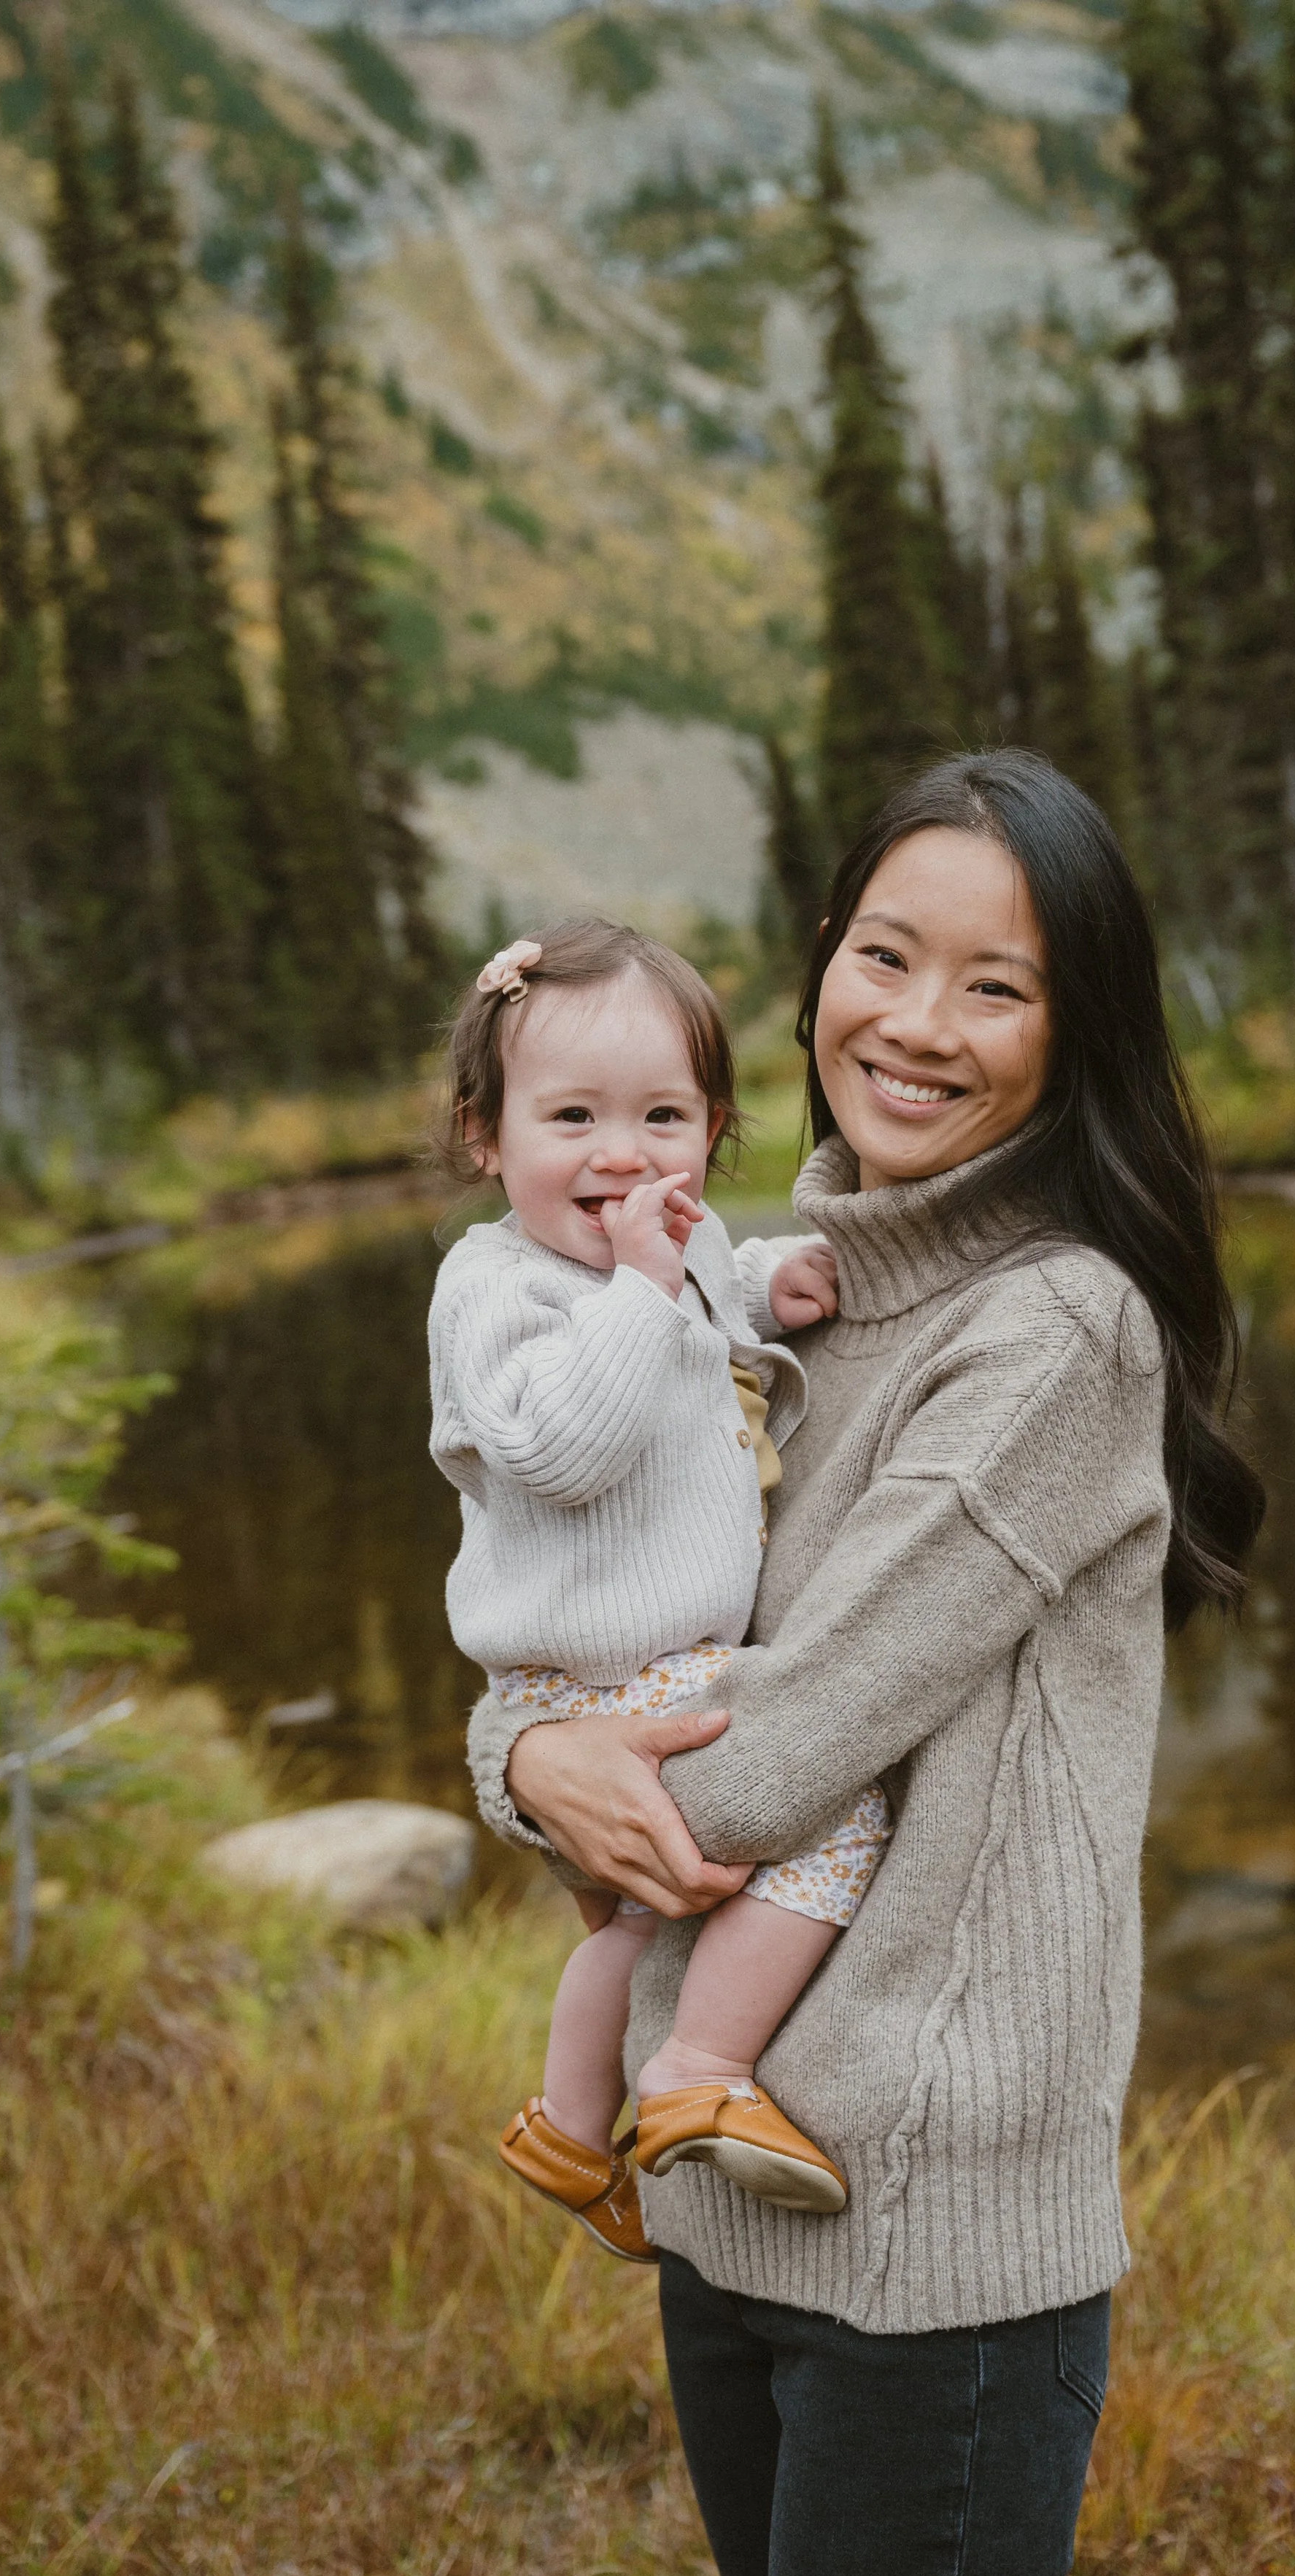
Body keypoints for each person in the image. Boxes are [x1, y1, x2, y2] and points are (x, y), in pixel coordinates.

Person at [466, 752, 1265, 2576]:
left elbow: (772, 1749)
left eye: (996, 985)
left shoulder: (1053, 1328)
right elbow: (588, 1603)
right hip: (715, 2185)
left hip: (930, 2227)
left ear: (1076, 1033)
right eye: (885, 956)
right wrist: (522, 1749)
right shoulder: (754, 1294)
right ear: (820, 957)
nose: (916, 1024)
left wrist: (537, 1757)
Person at [430, 916, 896, 2265]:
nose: (624, 1154)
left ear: (713, 1127)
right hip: (604, 1677)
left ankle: (573, 2126)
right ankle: (701, 2065)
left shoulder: (663, 1253)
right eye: (573, 1116)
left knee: (650, 1915)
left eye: (664, 1117)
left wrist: (759, 1277)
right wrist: (644, 1285)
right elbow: (557, 1450)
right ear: (486, 1135)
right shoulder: (492, 1287)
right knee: (833, 1810)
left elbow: (702, 1305)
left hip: (635, 1669)